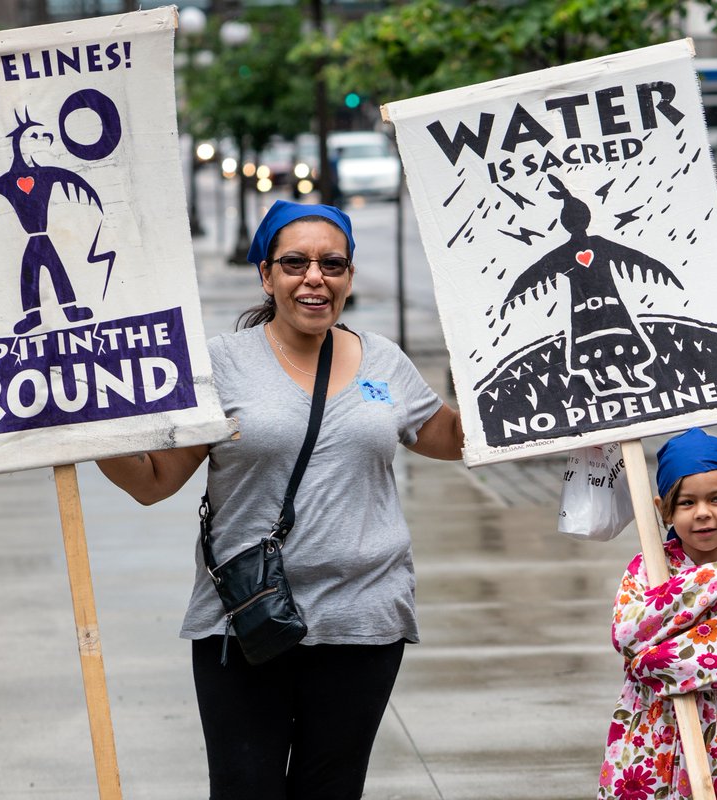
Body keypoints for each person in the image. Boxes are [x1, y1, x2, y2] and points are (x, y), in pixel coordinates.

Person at [96, 200, 464, 799]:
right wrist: (92, 430)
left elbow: (445, 435)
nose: (314, 277)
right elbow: (154, 480)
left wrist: (490, 379)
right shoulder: (220, 364)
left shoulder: (383, 360)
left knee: (331, 790)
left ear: (348, 276)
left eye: (332, 264)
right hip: (247, 620)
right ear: (266, 276)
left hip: (364, 616)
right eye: (294, 263)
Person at [597, 428, 717, 800]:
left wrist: (647, 658)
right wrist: (711, 583)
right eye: (687, 503)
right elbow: (626, 633)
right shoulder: (648, 569)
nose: (703, 513)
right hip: (650, 729)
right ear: (664, 509)